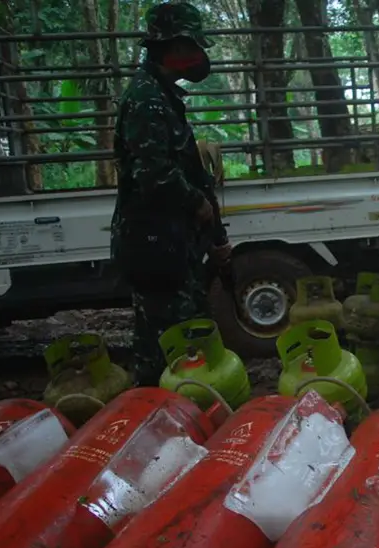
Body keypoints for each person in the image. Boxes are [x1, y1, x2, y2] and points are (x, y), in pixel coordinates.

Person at [110, 2, 231, 386]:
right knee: (165, 348)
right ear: (174, 47)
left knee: (186, 336)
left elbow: (174, 165)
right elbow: (154, 173)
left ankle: (181, 414)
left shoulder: (162, 96)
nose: (200, 56)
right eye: (194, 46)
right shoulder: (147, 100)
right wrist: (196, 203)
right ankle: (155, 418)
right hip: (155, 242)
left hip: (171, 243)